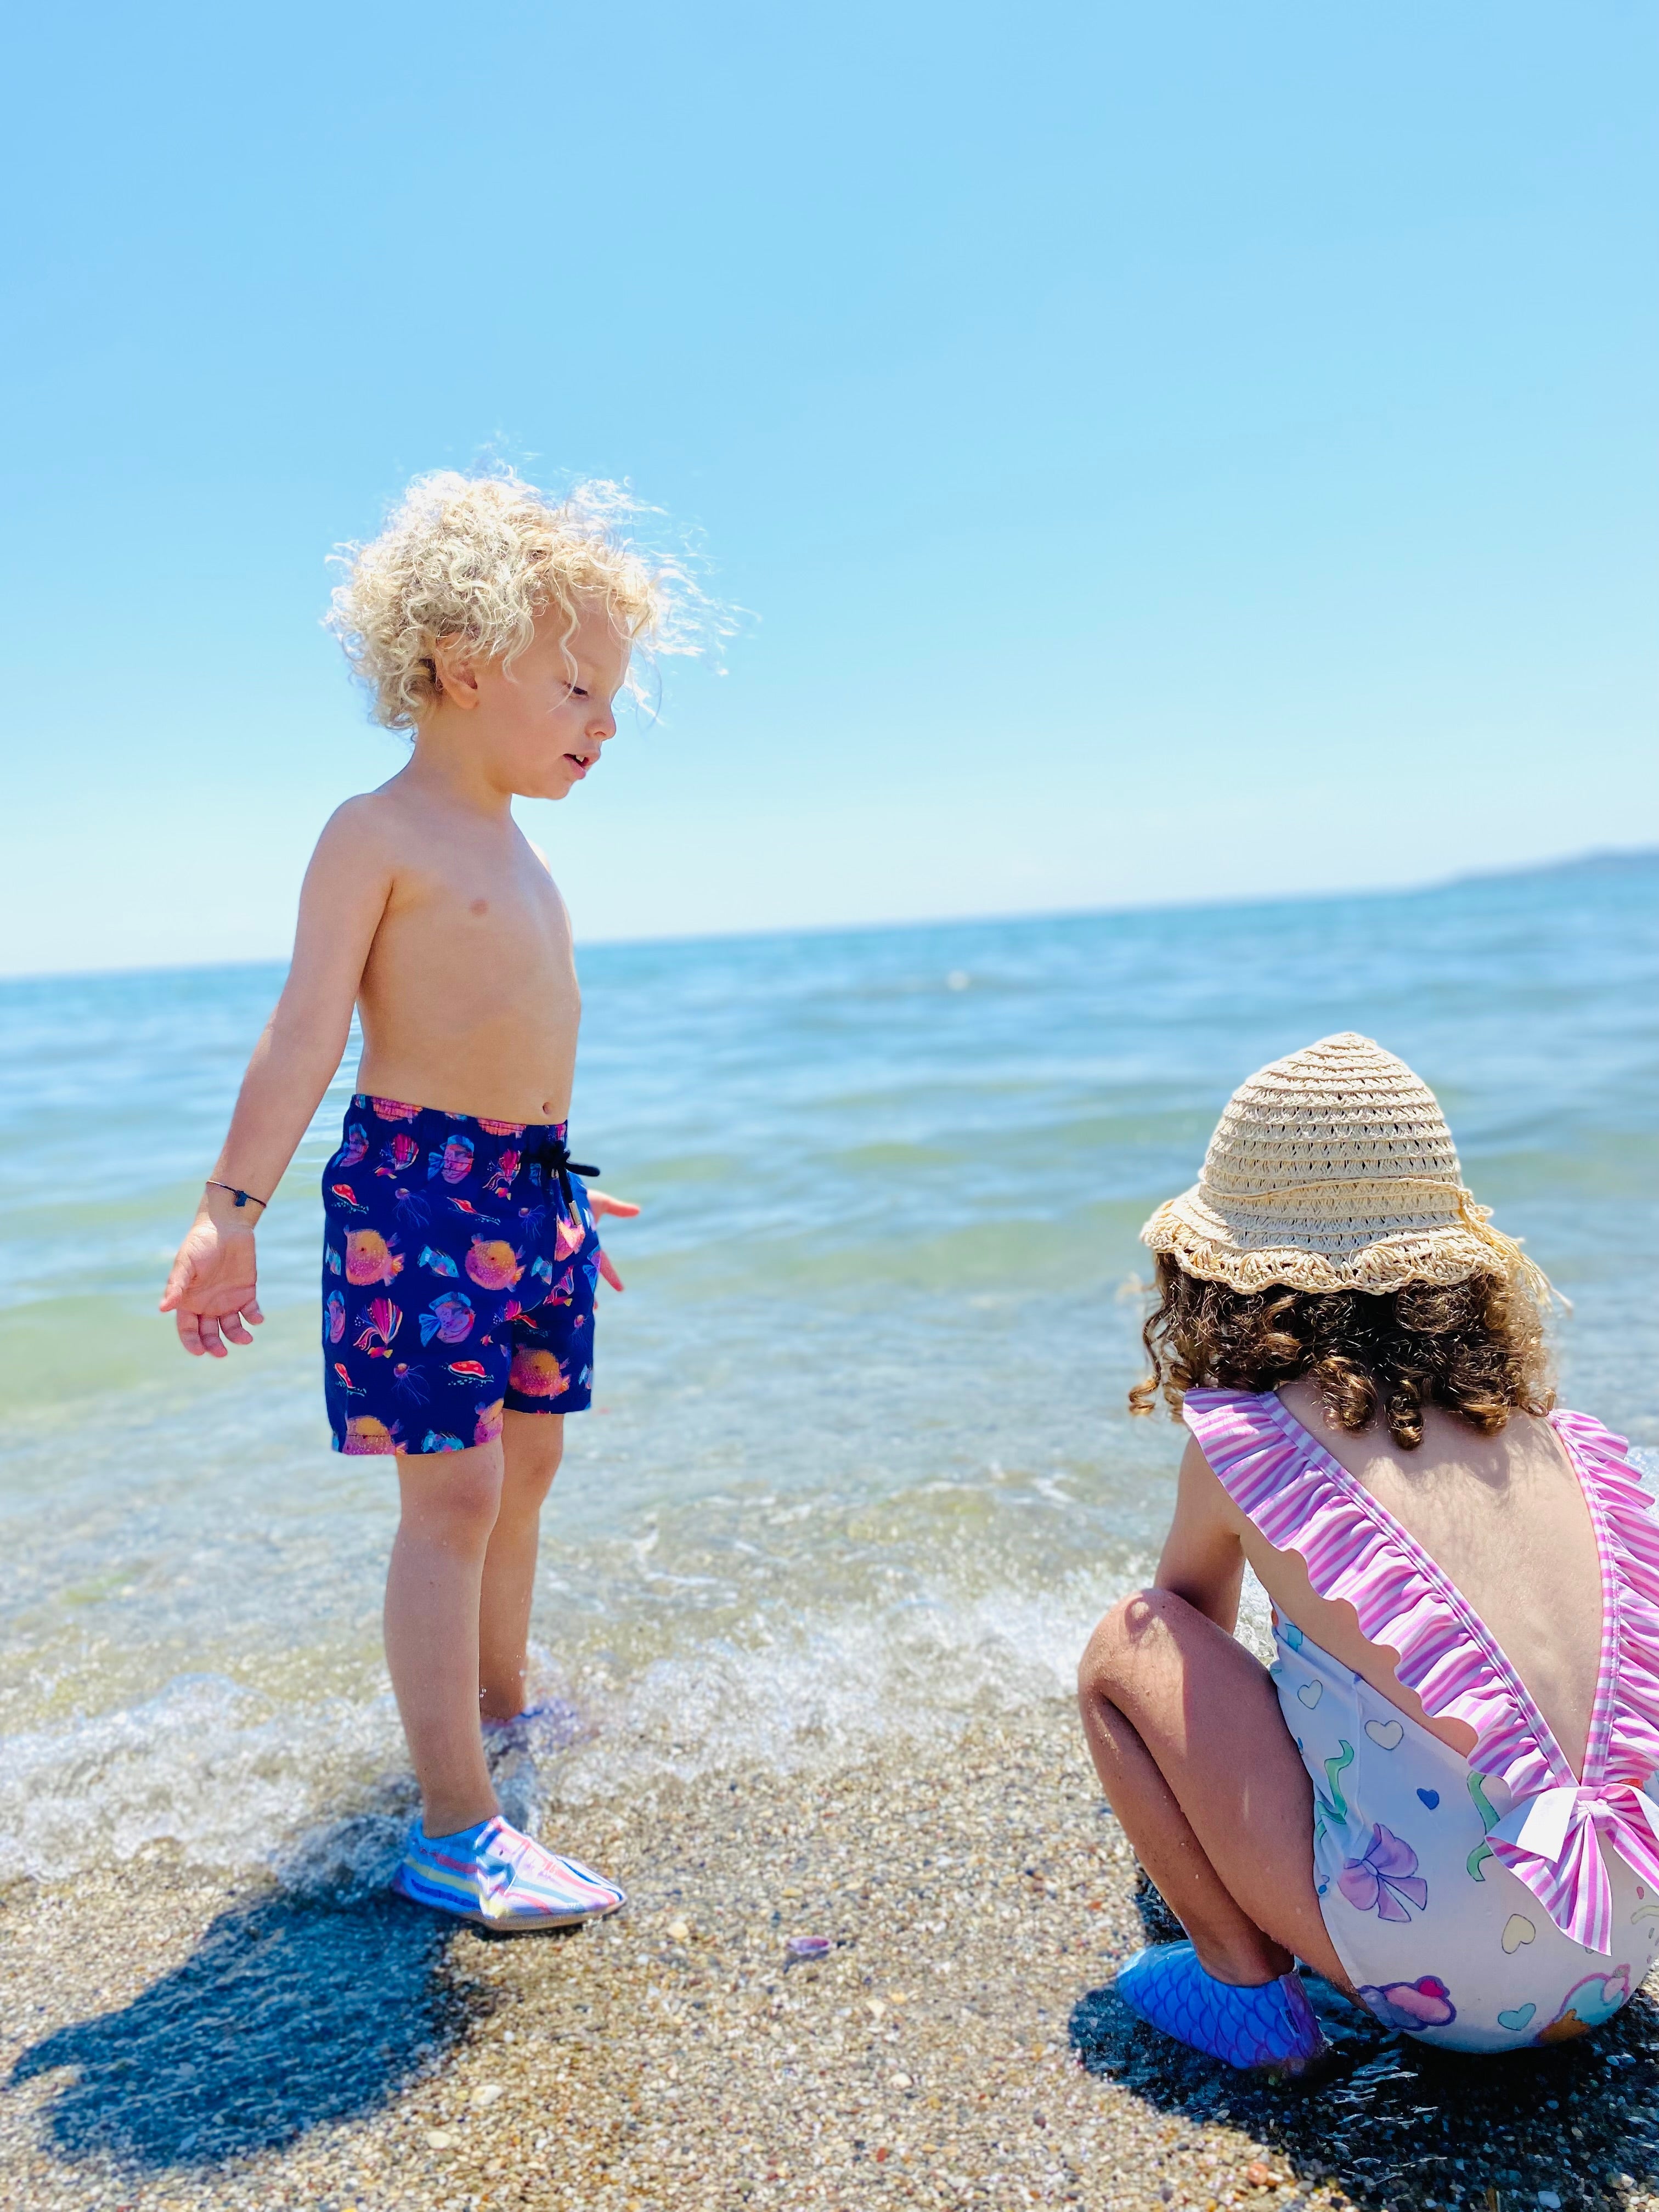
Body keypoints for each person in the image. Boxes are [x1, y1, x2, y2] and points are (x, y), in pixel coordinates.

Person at [160, 469, 675, 1931]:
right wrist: (230, 1208)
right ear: (463, 666)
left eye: (611, 696)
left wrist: (562, 1192)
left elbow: (519, 1045)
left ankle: (501, 1709)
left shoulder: (523, 855)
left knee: (529, 1467)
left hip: (528, 1195)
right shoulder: (375, 833)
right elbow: (307, 1030)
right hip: (417, 1193)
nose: (605, 722)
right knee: (448, 1492)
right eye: (579, 687)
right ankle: (457, 1829)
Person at [1078, 1032, 1659, 2067]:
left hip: (1442, 1978)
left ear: (1223, 1273)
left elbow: (1189, 1640)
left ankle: (1245, 1992)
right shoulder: (1555, 1439)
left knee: (1129, 1648)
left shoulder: (1255, 1440)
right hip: (1619, 1951)